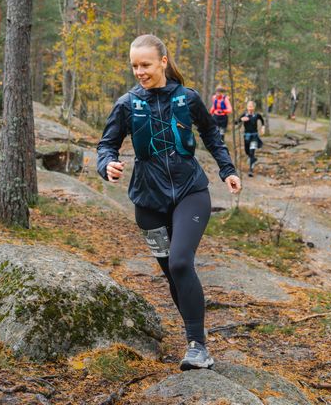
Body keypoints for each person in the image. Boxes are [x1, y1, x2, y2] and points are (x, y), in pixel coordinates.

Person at [97, 34, 242, 371]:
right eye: (134, 65)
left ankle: (198, 346)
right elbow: (106, 145)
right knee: (172, 272)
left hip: (191, 192)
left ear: (163, 61)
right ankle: (195, 334)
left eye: (145, 64)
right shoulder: (126, 104)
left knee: (180, 262)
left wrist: (227, 170)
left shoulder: (186, 98)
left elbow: (210, 133)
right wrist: (107, 164)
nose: (139, 72)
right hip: (148, 202)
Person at [236, 101, 265, 177]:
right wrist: (241, 120)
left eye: (252, 106)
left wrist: (263, 128)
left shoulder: (257, 115)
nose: (250, 108)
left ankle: (250, 170)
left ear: (254, 107)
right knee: (247, 151)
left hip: (254, 136)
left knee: (252, 152)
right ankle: (253, 159)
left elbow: (262, 120)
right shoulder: (244, 115)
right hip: (246, 136)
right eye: (249, 106)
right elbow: (235, 122)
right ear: (247, 107)